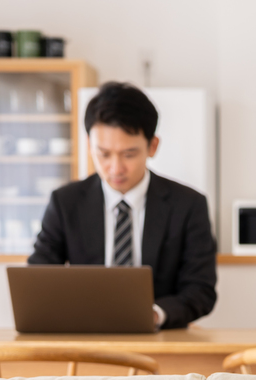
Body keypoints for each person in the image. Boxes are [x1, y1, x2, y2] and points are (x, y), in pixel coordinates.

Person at [28, 81, 217, 329]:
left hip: (162, 339)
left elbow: (200, 289)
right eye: (103, 154)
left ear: (153, 146)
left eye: (129, 154)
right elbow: (38, 279)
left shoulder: (189, 205)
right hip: (85, 337)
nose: (116, 168)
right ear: (89, 145)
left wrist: (154, 315)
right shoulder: (65, 202)